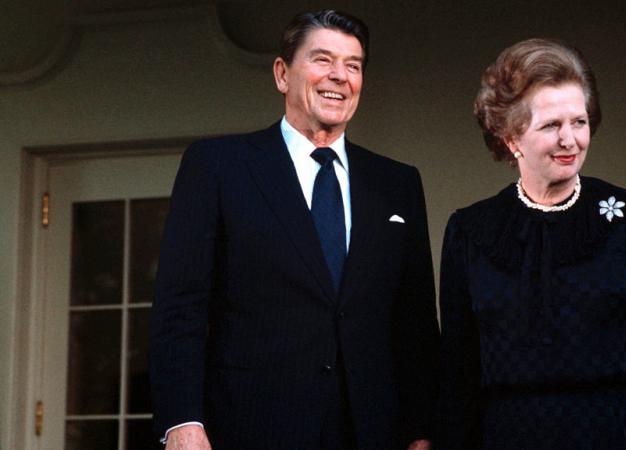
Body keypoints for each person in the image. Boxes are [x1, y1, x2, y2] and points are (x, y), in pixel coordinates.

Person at [149, 10, 439, 450]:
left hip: (370, 429)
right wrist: (182, 420)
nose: (340, 76)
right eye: (323, 60)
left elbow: (414, 321)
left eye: (353, 65)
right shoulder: (219, 166)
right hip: (251, 424)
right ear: (283, 74)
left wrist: (422, 431)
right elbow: (180, 306)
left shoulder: (396, 183)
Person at [436, 38, 626, 449]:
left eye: (579, 122)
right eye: (550, 125)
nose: (570, 140)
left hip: (624, 435)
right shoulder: (470, 232)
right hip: (511, 437)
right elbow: (459, 370)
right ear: (511, 137)